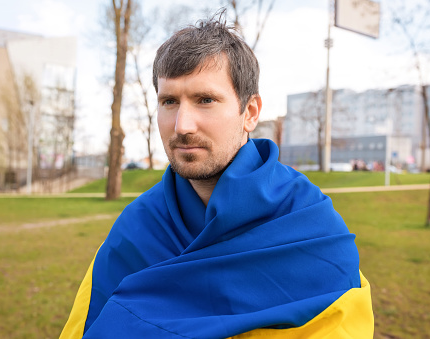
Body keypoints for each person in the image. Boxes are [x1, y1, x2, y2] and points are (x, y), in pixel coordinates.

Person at [60, 13, 373, 339]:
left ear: (249, 113)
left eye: (205, 100)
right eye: (169, 101)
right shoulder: (134, 229)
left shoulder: (313, 227)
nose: (182, 125)